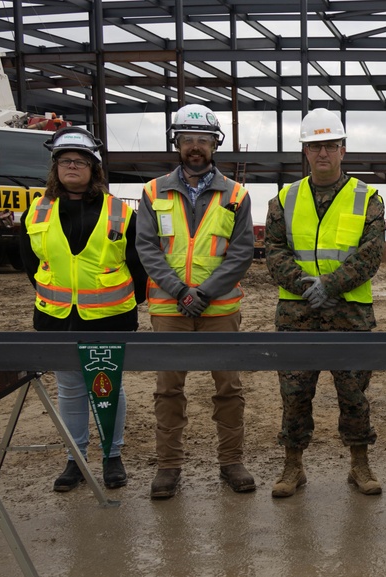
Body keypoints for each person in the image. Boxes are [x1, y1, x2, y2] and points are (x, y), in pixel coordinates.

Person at [136, 103, 255, 499]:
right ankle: (168, 467)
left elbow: (241, 252)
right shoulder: (153, 191)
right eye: (188, 139)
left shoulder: (236, 194)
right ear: (177, 143)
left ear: (215, 144)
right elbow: (148, 248)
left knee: (229, 389)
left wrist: (204, 292)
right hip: (170, 309)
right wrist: (180, 291)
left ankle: (232, 461)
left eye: (203, 139)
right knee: (168, 390)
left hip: (219, 309)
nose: (195, 146)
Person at [265, 108, 385, 498]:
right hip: (296, 315)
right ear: (305, 150)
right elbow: (274, 252)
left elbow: (370, 254)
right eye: (315, 146)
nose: (322, 153)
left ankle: (359, 463)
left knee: (354, 394)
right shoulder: (284, 198)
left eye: (330, 145)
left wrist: (330, 286)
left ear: (342, 150)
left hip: (350, 314)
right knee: (294, 394)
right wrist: (306, 286)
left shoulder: (368, 197)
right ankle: (293, 466)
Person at [19, 127, 146, 492]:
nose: (72, 166)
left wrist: (124, 303)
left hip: (110, 319)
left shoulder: (120, 212)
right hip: (56, 319)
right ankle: (74, 459)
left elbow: (138, 265)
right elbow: (31, 264)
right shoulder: (37, 211)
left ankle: (112, 456)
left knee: (108, 388)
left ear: (94, 168)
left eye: (80, 161)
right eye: (65, 161)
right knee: (70, 390)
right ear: (55, 167)